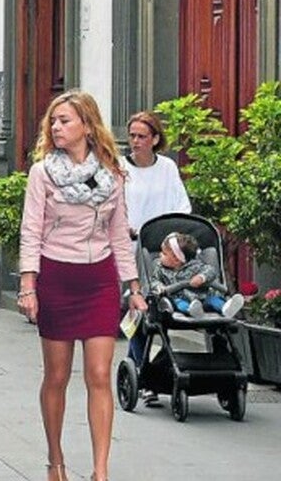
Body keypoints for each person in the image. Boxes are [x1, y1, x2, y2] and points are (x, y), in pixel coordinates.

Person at [16, 90, 145, 481]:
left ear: (87, 126)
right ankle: (56, 463)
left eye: (65, 121)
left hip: (99, 281)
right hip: (57, 278)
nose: (56, 127)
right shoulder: (43, 173)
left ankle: (100, 471)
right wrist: (28, 285)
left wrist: (133, 285)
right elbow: (31, 231)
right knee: (56, 376)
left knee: (100, 375)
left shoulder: (114, 172)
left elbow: (120, 233)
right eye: (53, 121)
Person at [121, 110, 191, 401]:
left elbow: (181, 205)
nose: (135, 141)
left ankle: (147, 371)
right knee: (139, 312)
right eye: (132, 135)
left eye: (141, 136)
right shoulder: (119, 168)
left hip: (164, 253)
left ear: (155, 139)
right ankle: (139, 370)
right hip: (133, 251)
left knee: (161, 313)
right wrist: (124, 227)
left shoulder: (167, 168)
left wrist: (174, 237)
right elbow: (114, 205)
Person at [153, 232, 244, 318]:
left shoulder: (195, 265)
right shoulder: (161, 269)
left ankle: (226, 308)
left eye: (164, 254)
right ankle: (191, 311)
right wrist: (159, 287)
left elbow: (210, 270)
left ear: (176, 259)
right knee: (179, 303)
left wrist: (201, 277)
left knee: (214, 300)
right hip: (179, 297)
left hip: (203, 296)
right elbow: (154, 280)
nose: (160, 255)